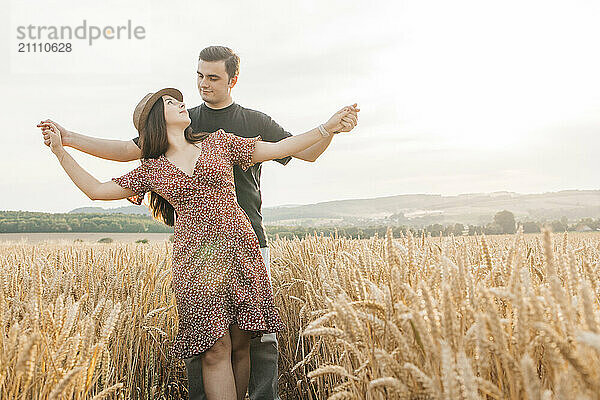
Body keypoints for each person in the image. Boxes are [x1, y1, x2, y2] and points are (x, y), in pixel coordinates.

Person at [37, 46, 359, 400]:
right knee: (212, 348)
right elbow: (98, 188)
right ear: (161, 119)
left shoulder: (223, 141)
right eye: (196, 79)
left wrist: (326, 128)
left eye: (211, 78)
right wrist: (62, 147)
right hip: (197, 260)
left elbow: (285, 148)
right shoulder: (154, 166)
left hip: (243, 249)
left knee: (246, 342)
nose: (195, 91)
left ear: (231, 80)